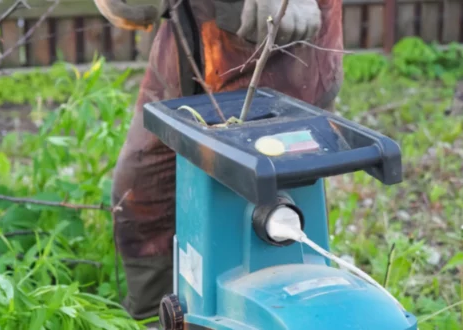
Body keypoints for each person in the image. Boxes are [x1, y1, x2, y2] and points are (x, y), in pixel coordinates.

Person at [93, 0, 344, 322]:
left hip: (270, 34)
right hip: (191, 32)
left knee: (256, 213)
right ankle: (157, 319)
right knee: (141, 193)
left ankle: (262, 317)